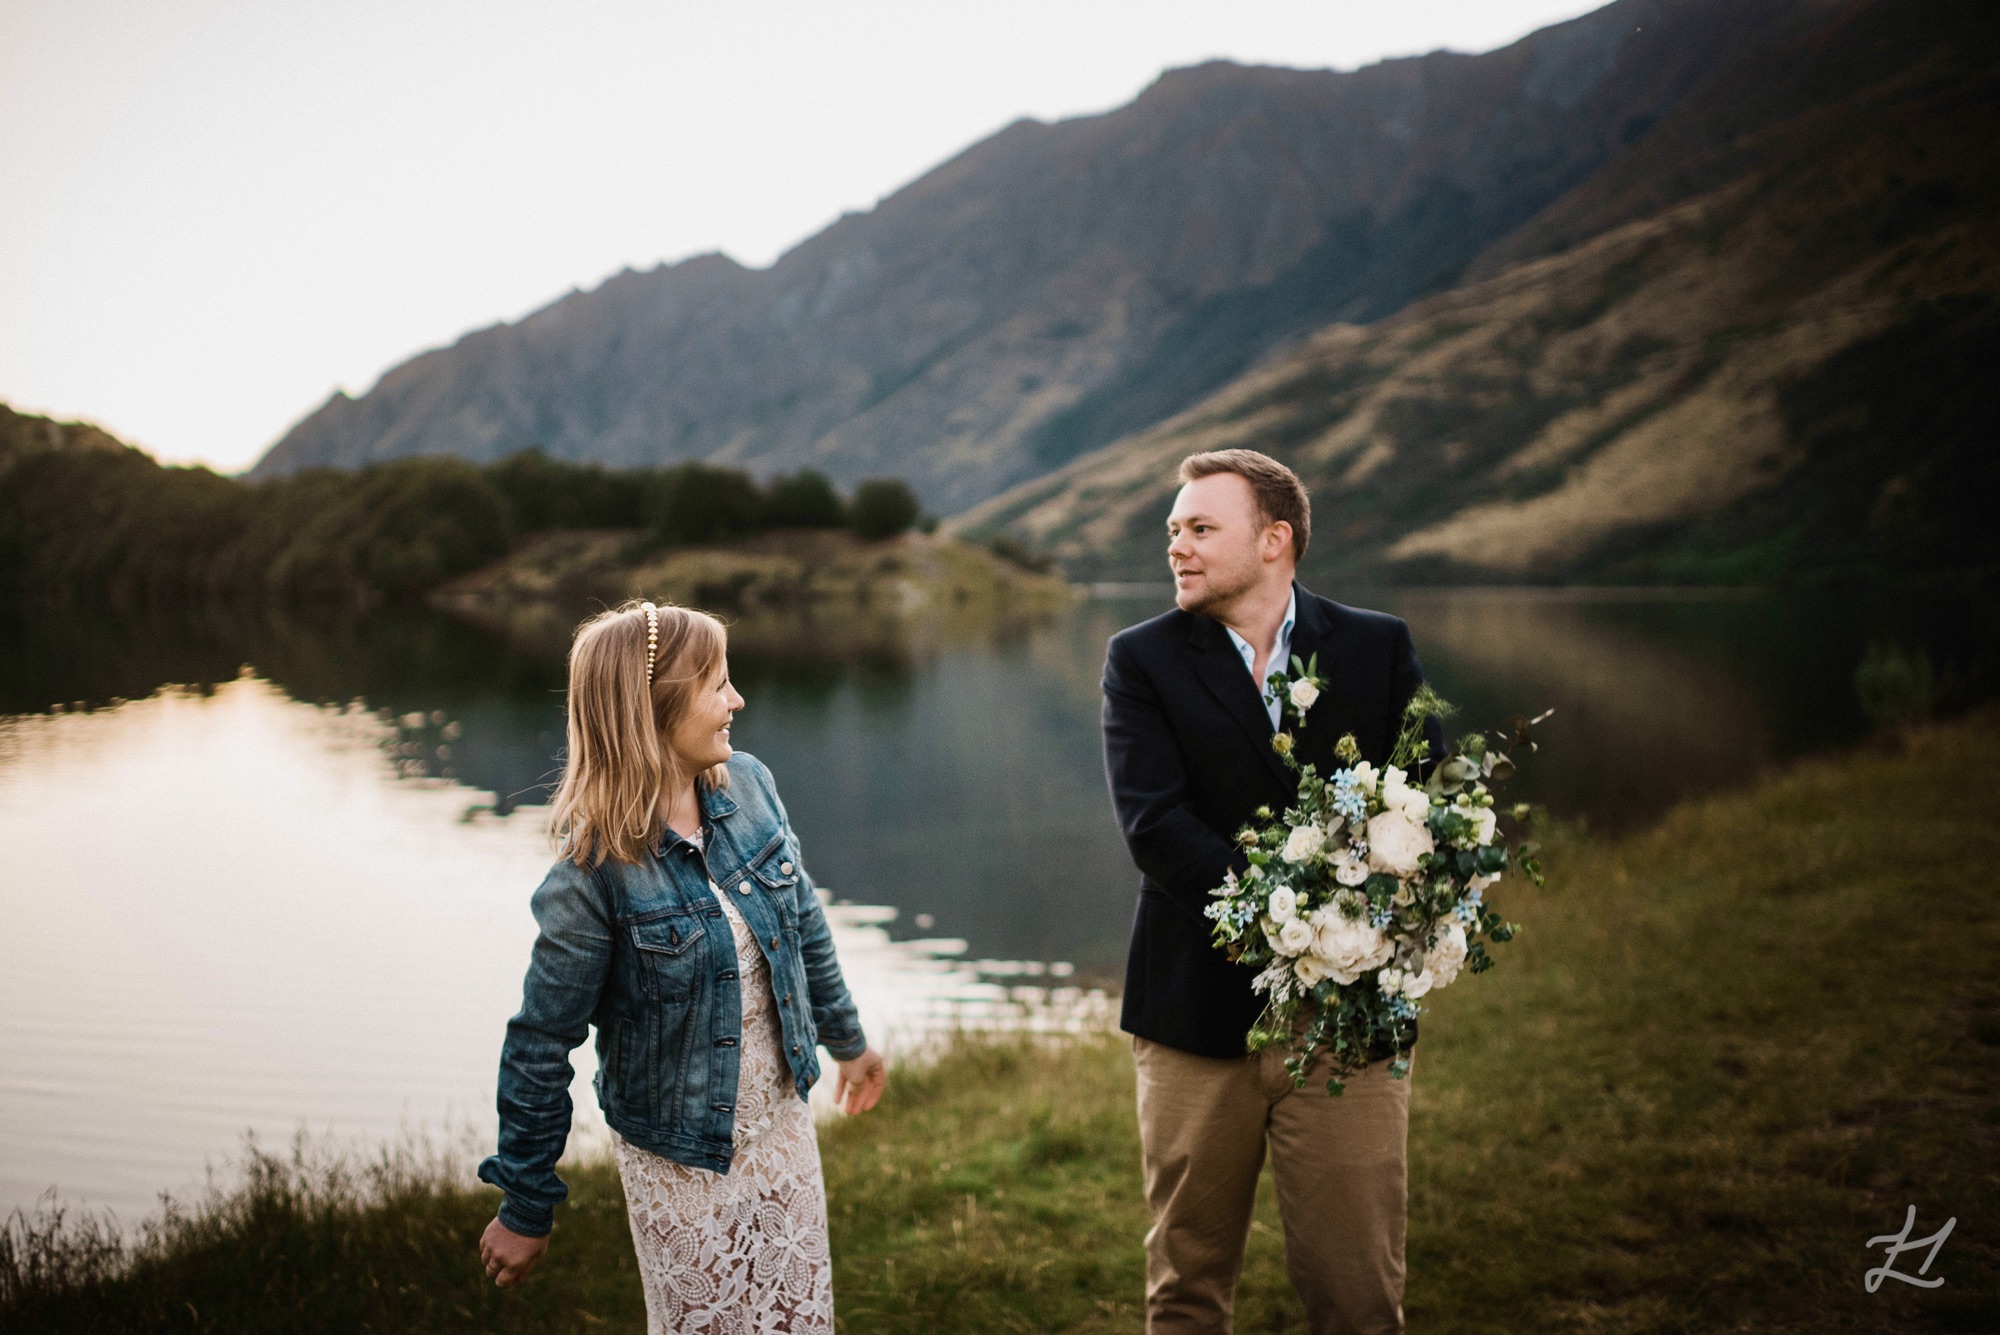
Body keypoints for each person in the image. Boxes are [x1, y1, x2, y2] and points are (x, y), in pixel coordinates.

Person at [1101, 449, 1443, 1335]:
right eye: (1173, 529)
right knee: (1186, 1287)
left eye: (1201, 528)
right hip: (1195, 1015)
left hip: (1351, 1019)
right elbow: (1157, 827)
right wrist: (1298, 919)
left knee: (1360, 1291)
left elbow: (1430, 802)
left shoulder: (1375, 646)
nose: (1177, 545)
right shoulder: (1140, 660)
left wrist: (1355, 931)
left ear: (1274, 540)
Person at [476, 599, 887, 1332]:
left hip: (782, 1129)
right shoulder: (591, 872)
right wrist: (525, 1202)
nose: (737, 700)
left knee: (801, 1320)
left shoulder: (752, 785)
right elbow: (540, 1043)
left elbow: (803, 919)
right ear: (653, 707)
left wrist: (847, 1040)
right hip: (679, 1160)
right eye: (717, 684)